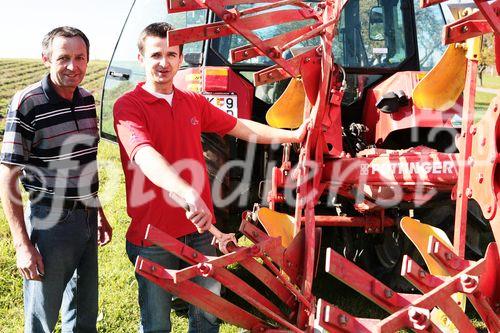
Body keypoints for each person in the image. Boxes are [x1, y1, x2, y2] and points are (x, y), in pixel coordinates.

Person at [113, 22, 307, 333]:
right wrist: (188, 192)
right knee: (157, 324)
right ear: (141, 59)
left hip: (201, 231)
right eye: (155, 55)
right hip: (154, 236)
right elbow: (145, 155)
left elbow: (242, 127)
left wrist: (292, 136)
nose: (163, 63)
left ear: (180, 58)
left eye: (171, 55)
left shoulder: (193, 101)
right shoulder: (128, 106)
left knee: (207, 317)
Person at [0, 26, 112, 333]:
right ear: (46, 58)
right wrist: (23, 244)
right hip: (50, 221)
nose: (73, 67)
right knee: (42, 318)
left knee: (84, 311)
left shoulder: (87, 100)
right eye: (64, 58)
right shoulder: (28, 103)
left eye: (80, 58)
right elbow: (8, 175)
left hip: (87, 218)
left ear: (88, 60)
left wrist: (98, 212)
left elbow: (85, 162)